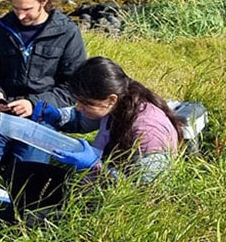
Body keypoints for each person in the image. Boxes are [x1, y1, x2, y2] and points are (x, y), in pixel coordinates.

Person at [0, 0, 87, 205]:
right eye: (15, 8)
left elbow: (73, 86)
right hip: (1, 118)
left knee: (27, 181)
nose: (20, 15)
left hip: (41, 121)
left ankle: (13, 167)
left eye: (26, 9)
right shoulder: (0, 28)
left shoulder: (67, 32)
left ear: (45, 0)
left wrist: (34, 104)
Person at [32, 56, 184, 183]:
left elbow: (145, 191)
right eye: (77, 101)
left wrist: (95, 166)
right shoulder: (118, 103)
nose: (78, 107)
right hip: (97, 181)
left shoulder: (148, 132)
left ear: (111, 99)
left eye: (85, 103)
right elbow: (83, 119)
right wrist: (59, 116)